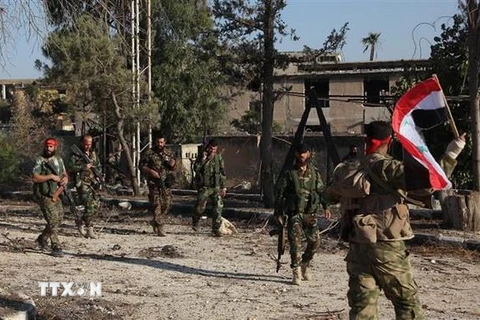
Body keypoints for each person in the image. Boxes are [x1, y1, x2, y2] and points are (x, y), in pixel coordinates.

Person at [341, 121, 465, 319]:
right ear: (389, 141)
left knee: (362, 306)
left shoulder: (350, 167)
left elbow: (330, 193)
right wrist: (452, 153)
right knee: (407, 302)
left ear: (366, 141)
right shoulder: (388, 167)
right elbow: (429, 182)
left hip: (358, 244)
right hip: (386, 245)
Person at [274, 143, 331, 285]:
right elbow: (280, 194)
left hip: (310, 214)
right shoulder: (289, 173)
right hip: (295, 214)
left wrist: (326, 206)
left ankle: (305, 264)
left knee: (315, 242)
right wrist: (278, 212)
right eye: (300, 153)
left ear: (308, 154)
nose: (302, 155)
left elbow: (321, 191)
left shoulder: (314, 172)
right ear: (296, 154)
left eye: (304, 153)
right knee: (295, 243)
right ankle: (296, 271)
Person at [32, 138, 69, 257]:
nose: (49, 149)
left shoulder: (58, 159)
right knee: (52, 219)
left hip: (56, 193)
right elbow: (35, 177)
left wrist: (65, 179)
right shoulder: (40, 160)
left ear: (55, 147)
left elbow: (64, 173)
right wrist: (50, 176)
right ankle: (56, 246)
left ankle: (43, 238)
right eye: (47, 146)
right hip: (44, 194)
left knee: (59, 218)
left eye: (51, 146)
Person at [140, 135, 176, 236]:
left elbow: (172, 167)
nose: (160, 145)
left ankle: (156, 221)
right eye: (158, 142)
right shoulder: (149, 153)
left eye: (161, 142)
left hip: (165, 182)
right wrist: (151, 171)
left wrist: (173, 165)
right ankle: (160, 227)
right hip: (154, 183)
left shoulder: (169, 153)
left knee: (167, 204)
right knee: (156, 205)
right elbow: (142, 166)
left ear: (165, 142)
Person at [192, 139, 227, 237]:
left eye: (214, 149)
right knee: (200, 207)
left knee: (218, 207)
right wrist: (203, 159)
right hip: (204, 187)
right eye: (211, 149)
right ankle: (196, 221)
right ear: (208, 147)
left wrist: (223, 187)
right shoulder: (202, 157)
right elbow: (196, 169)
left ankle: (216, 229)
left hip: (216, 187)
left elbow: (223, 173)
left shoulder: (218, 158)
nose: (212, 151)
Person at [70, 135, 102, 239]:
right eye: (86, 143)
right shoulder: (75, 155)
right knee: (89, 205)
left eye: (90, 144)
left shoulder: (93, 154)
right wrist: (84, 167)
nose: (88, 146)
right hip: (82, 183)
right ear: (82, 143)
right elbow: (70, 167)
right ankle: (89, 229)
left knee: (96, 205)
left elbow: (98, 166)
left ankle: (80, 219)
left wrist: (98, 175)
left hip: (92, 183)